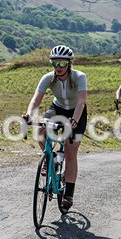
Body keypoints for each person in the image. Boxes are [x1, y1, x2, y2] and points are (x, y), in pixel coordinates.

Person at [24, 45, 87, 211]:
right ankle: (50, 158)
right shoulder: (48, 78)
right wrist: (29, 114)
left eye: (61, 64)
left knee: (70, 150)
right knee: (40, 131)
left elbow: (81, 102)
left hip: (76, 112)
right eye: (54, 63)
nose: (57, 68)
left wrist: (74, 120)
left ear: (69, 63)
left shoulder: (79, 77)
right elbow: (36, 99)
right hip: (57, 108)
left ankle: (68, 194)